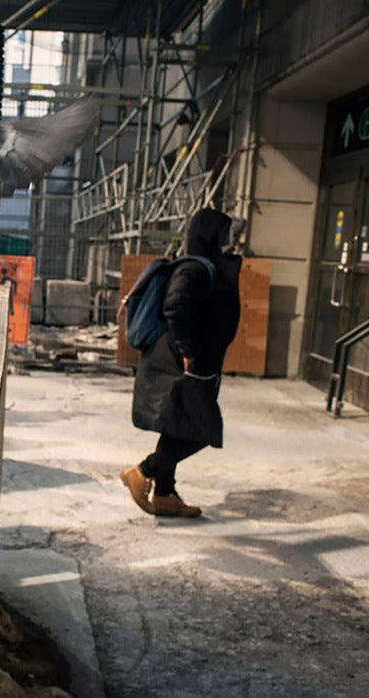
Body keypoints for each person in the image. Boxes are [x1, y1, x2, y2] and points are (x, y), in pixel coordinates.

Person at [120, 208, 242, 517]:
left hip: (191, 362)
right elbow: (176, 307)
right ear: (212, 235)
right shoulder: (195, 269)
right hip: (181, 364)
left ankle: (164, 495)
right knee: (203, 429)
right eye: (228, 235)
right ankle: (143, 471)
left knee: (179, 426)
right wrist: (189, 351)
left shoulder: (206, 266)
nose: (233, 241)